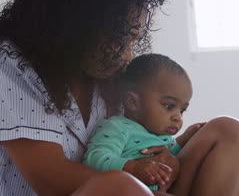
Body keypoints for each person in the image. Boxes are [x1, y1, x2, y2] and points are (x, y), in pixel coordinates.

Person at [0, 0, 239, 195]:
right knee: (119, 186)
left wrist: (168, 160)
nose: (128, 55)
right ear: (78, 20)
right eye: (121, 38)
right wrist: (133, 175)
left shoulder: (109, 74)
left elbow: (136, 142)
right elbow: (49, 179)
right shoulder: (5, 60)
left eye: (134, 40)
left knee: (229, 131)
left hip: (136, 187)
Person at [83, 53, 205, 192]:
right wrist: (133, 167)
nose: (177, 117)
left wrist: (184, 139)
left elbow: (169, 158)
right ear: (132, 102)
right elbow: (95, 158)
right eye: (169, 106)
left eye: (182, 110)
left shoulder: (161, 135)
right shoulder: (117, 127)